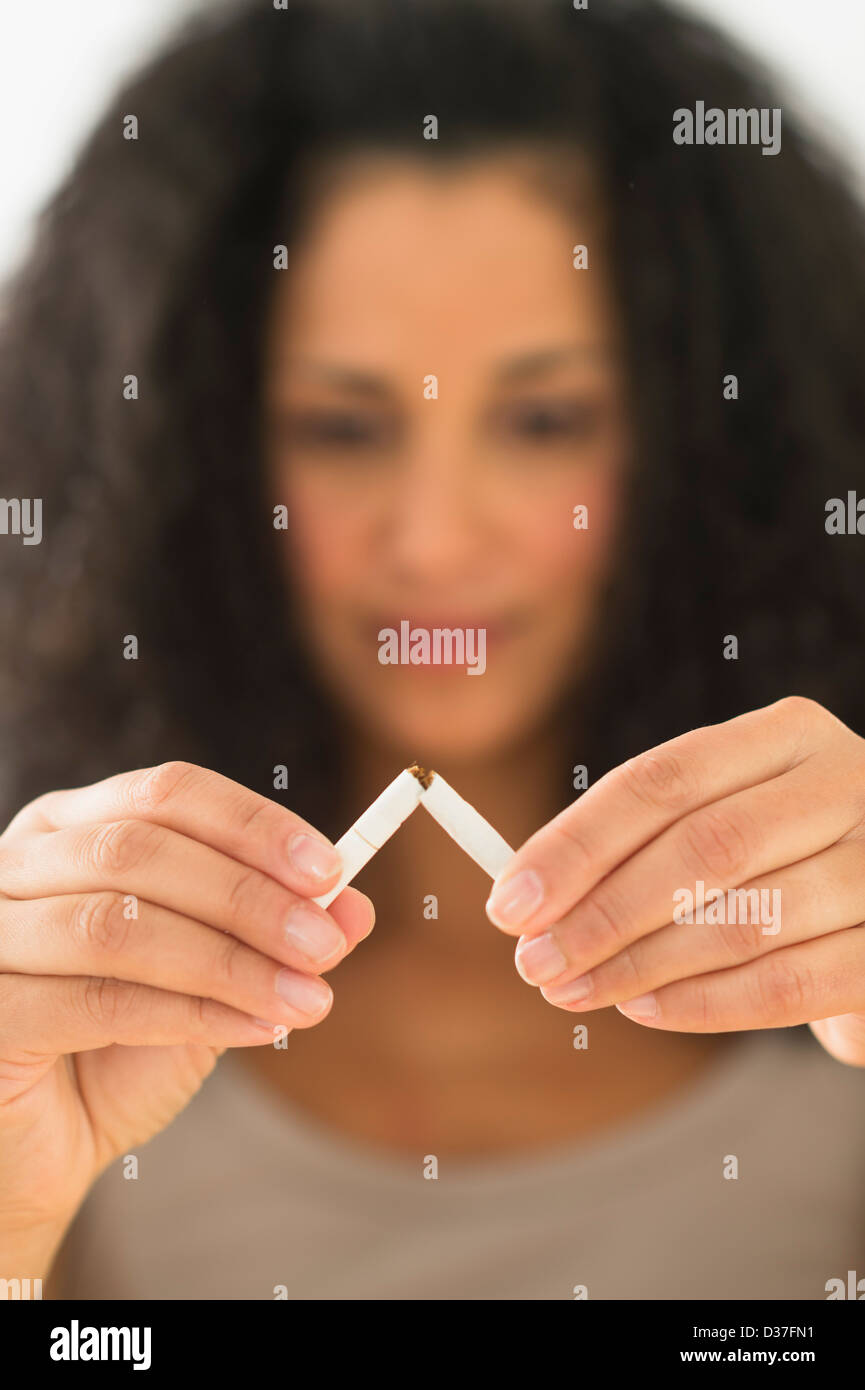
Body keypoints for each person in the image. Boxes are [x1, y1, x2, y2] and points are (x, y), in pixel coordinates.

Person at [1, 0, 864, 1301]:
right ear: (206, 463)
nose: (436, 542)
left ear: (701, 437)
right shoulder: (53, 975)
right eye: (342, 429)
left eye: (543, 418)